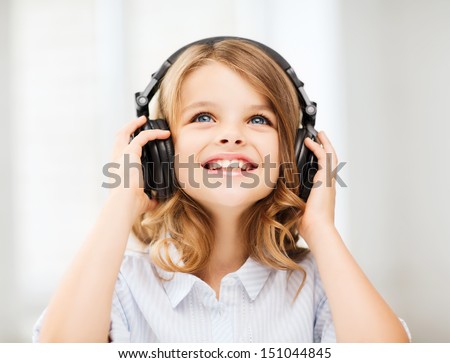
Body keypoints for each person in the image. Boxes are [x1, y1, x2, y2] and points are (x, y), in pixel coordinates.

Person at [33, 38, 410, 342]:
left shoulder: (319, 284)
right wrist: (122, 202)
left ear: (295, 154)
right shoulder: (119, 284)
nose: (231, 134)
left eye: (258, 119)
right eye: (203, 117)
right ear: (158, 150)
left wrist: (321, 229)